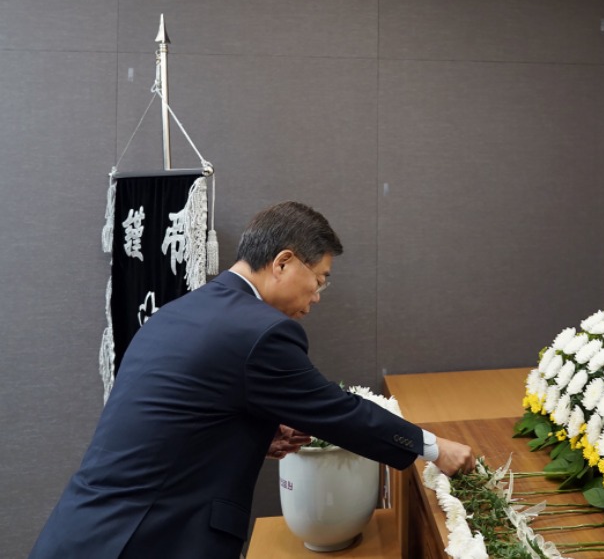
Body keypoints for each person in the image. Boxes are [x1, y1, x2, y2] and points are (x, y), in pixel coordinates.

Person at [30, 201, 474, 559]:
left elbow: (174, 418)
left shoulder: (183, 310)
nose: (317, 296)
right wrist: (435, 449)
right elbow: (338, 413)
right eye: (319, 279)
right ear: (283, 262)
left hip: (85, 529)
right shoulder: (261, 330)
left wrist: (251, 437)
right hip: (148, 538)